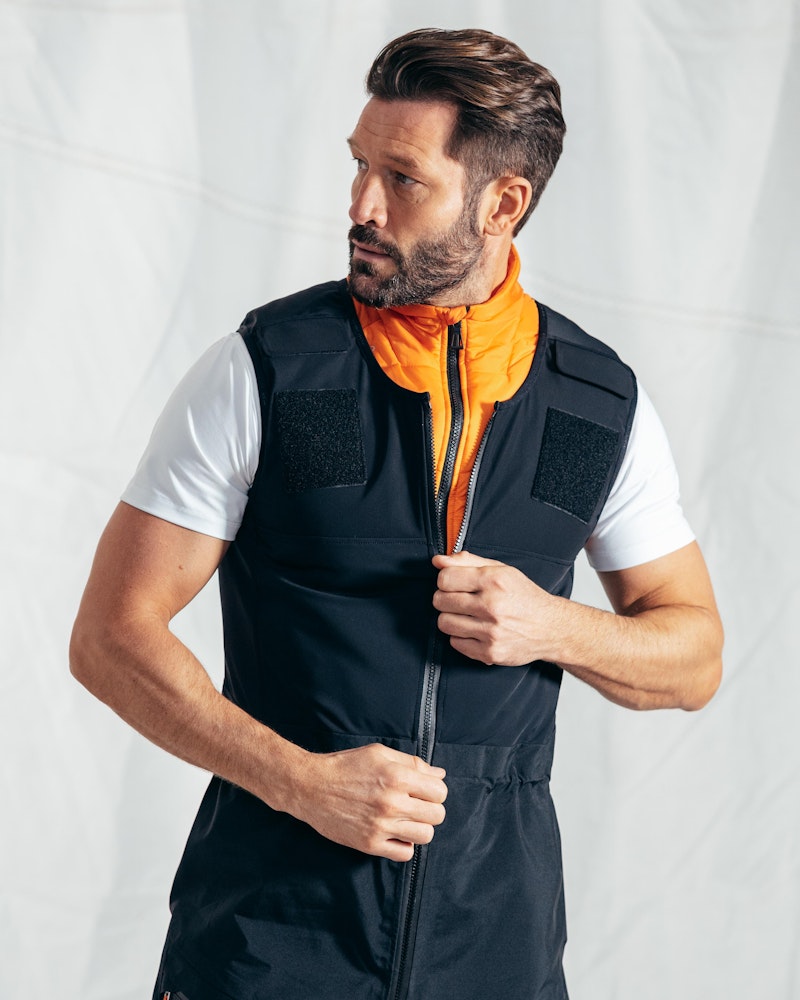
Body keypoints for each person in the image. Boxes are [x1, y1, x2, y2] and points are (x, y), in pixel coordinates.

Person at [70, 27, 723, 1000]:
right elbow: (110, 637)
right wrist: (300, 782)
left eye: (403, 179)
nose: (361, 206)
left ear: (503, 203)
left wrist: (551, 625)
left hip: (494, 949)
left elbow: (694, 656)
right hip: (266, 941)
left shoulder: (594, 405)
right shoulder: (268, 371)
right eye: (358, 166)